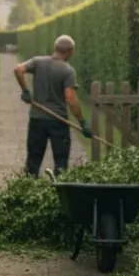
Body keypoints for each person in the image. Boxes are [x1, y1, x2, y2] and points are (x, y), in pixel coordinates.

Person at [13, 34, 92, 176]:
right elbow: (71, 99)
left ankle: (29, 191)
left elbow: (18, 70)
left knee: (33, 162)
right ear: (70, 51)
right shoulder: (68, 70)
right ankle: (60, 194)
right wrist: (82, 122)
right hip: (58, 121)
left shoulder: (38, 62)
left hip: (37, 120)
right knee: (61, 164)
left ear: (55, 48)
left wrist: (26, 91)